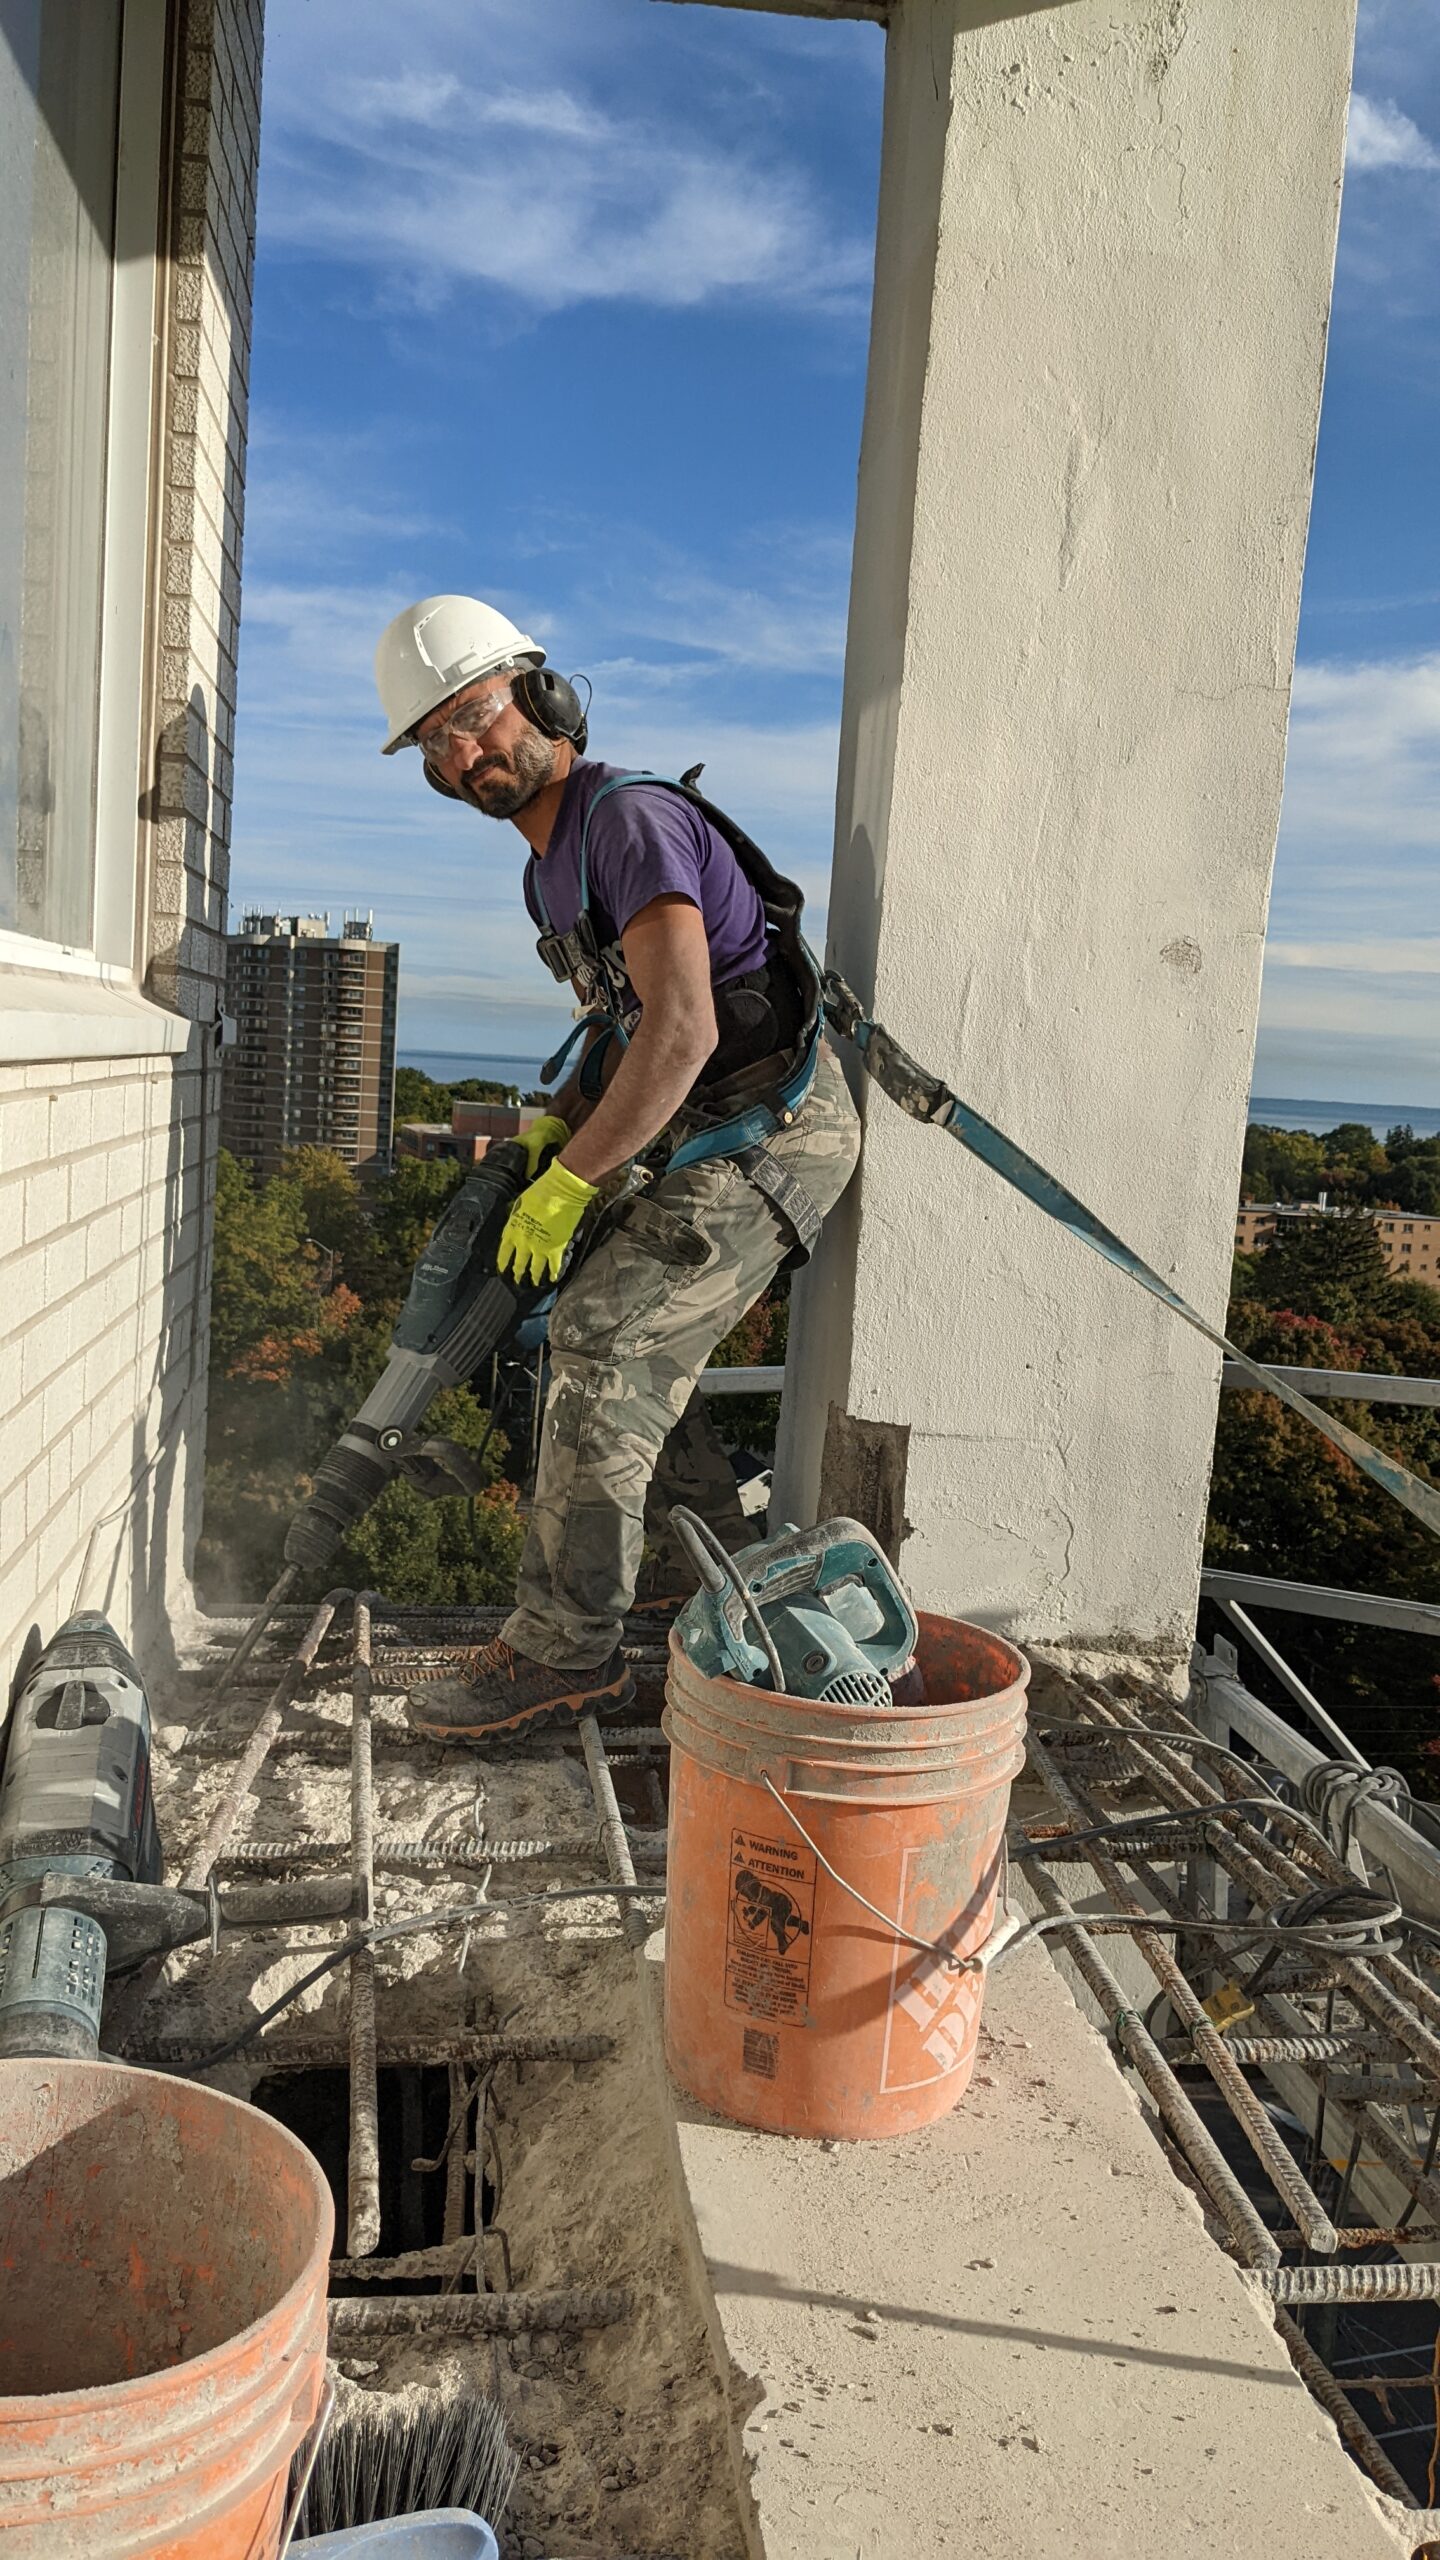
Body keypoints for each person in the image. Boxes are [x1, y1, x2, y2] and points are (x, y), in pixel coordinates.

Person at [373, 594, 861, 1737]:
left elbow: (683, 1031)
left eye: (478, 715)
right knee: (561, 1336)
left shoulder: (626, 821)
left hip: (774, 1134)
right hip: (700, 1128)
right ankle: (704, 1578)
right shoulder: (549, 867)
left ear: (543, 697)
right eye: (436, 741)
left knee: (599, 1334)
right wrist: (558, 1128)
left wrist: (574, 1181)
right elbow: (623, 1024)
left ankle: (565, 1652)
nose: (465, 752)